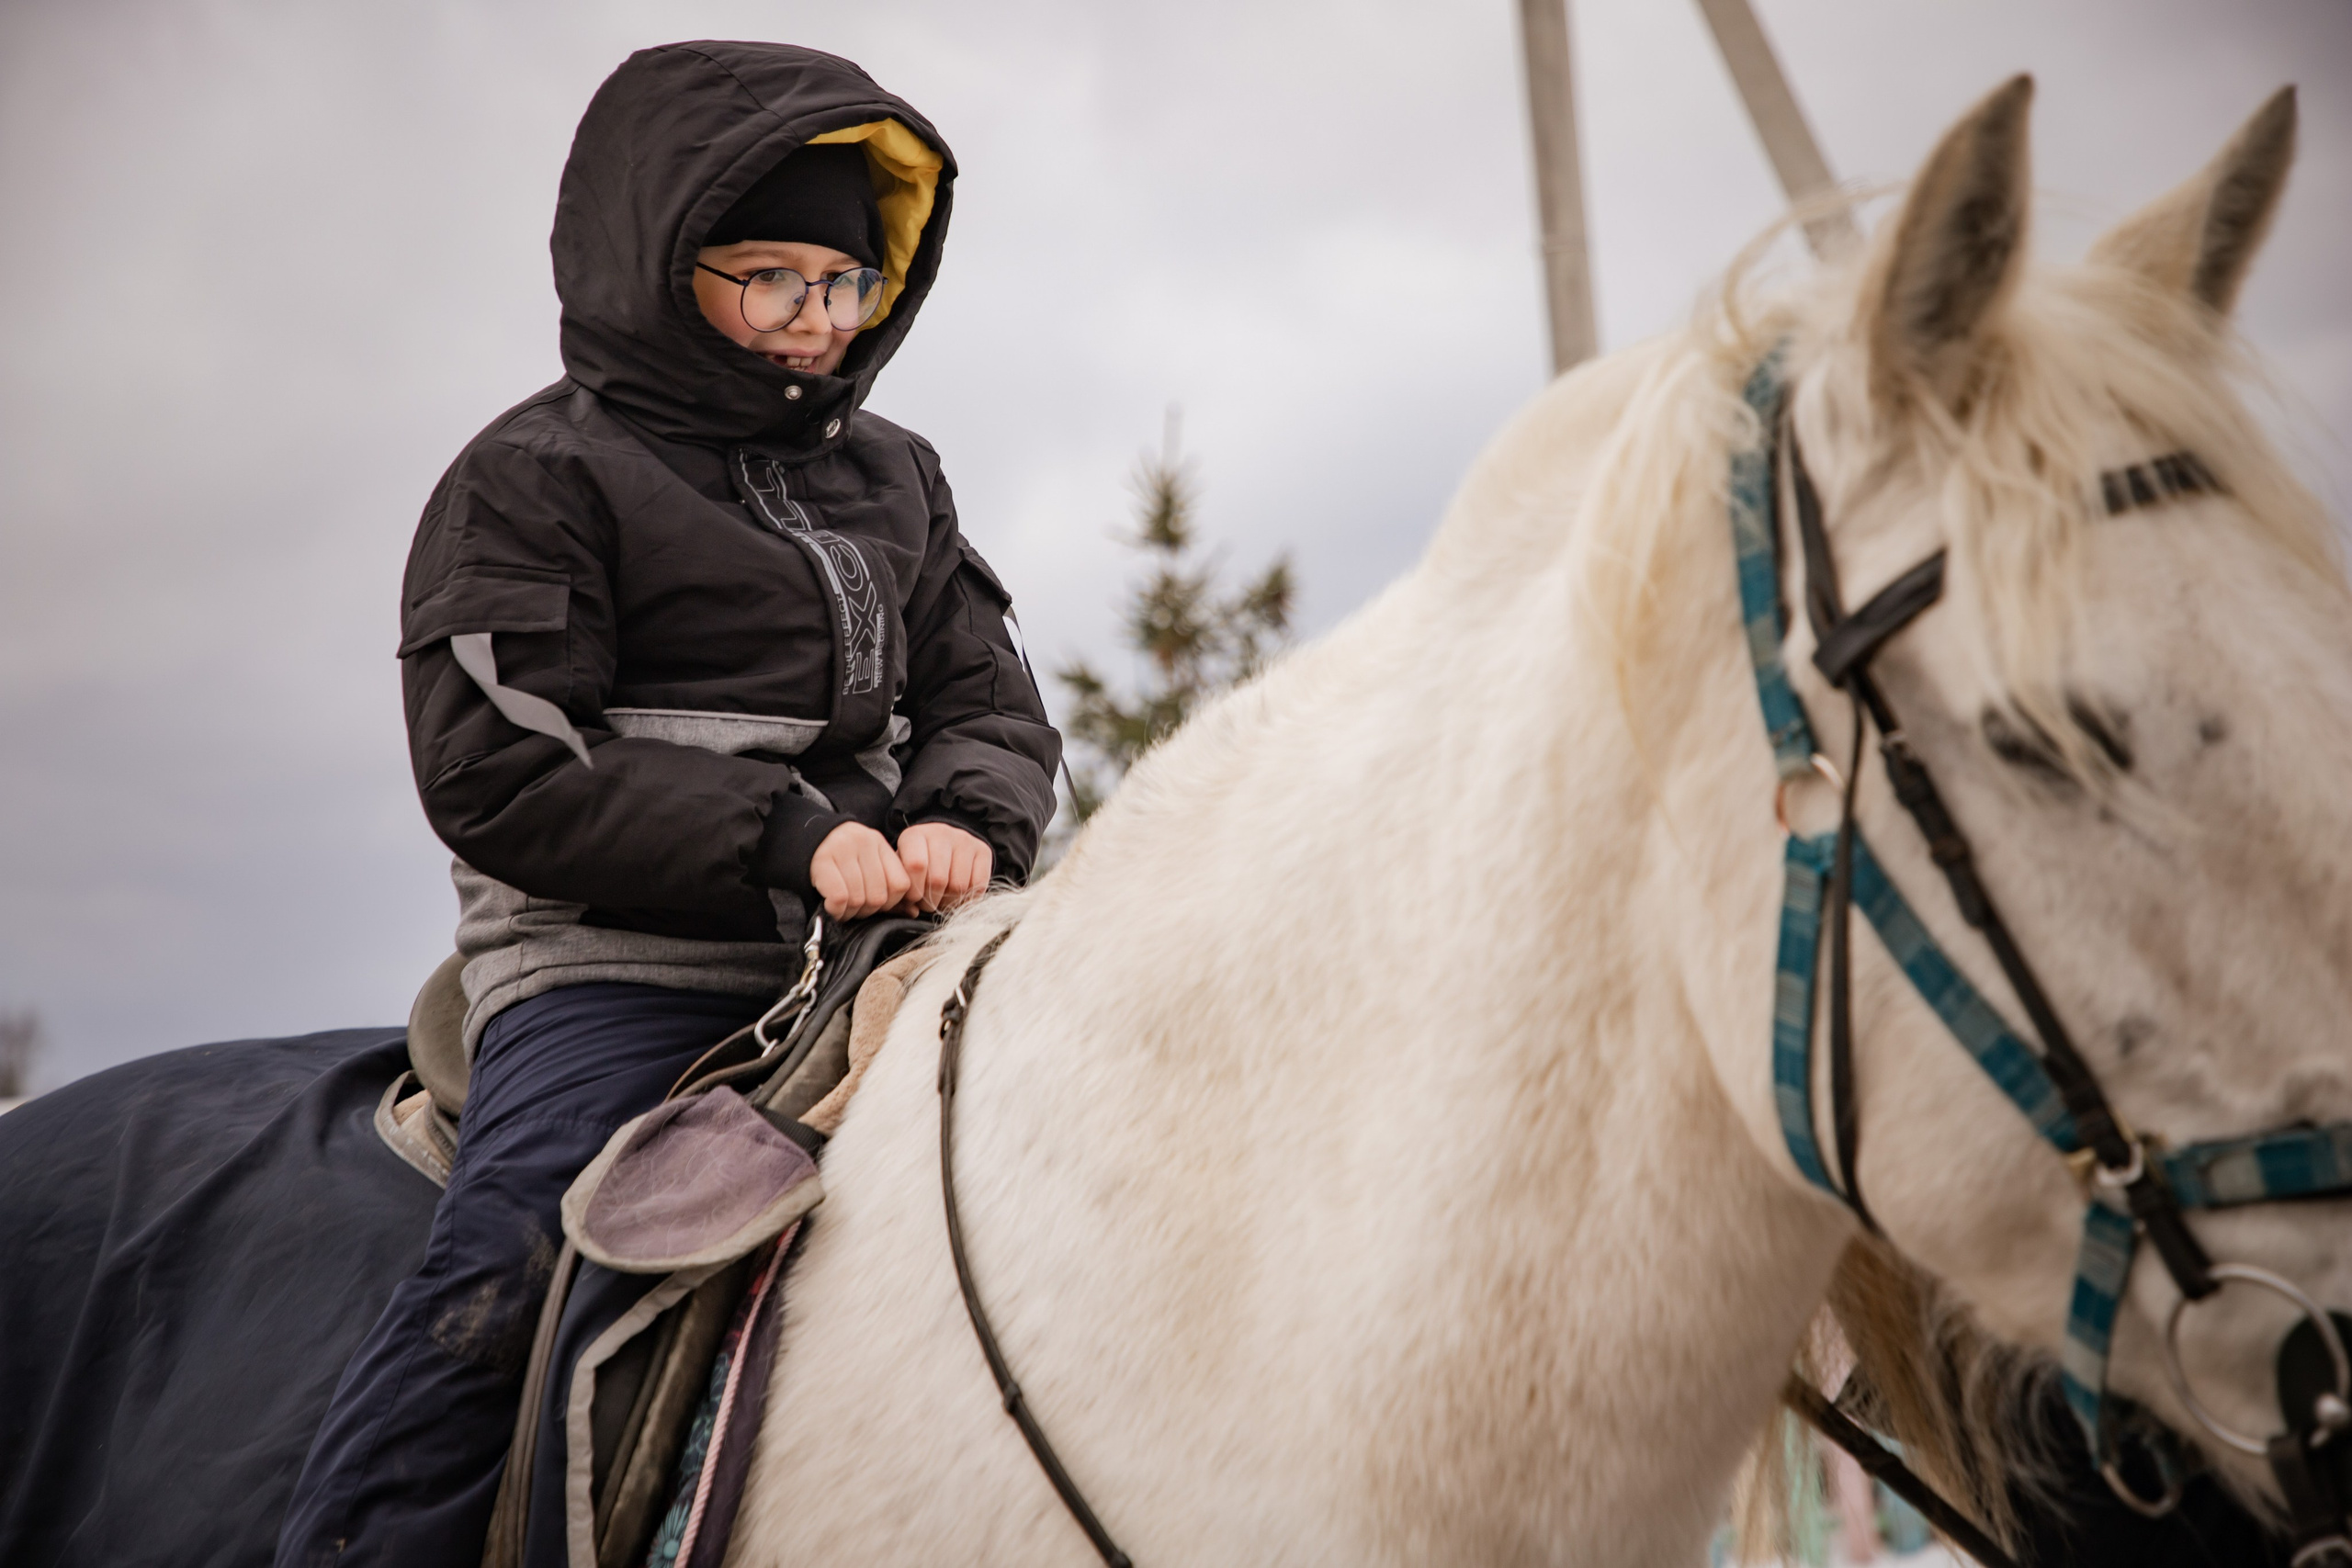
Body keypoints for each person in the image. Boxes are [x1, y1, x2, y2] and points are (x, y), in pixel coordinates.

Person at [276, 40, 1059, 1566]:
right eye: (772, 277)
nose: (817, 321)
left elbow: (988, 699)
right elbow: (495, 766)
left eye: (845, 284)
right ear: (657, 263)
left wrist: (972, 817)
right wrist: (788, 837)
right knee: (512, 1266)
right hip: (618, 968)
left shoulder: (903, 478)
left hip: (891, 946)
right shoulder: (531, 479)